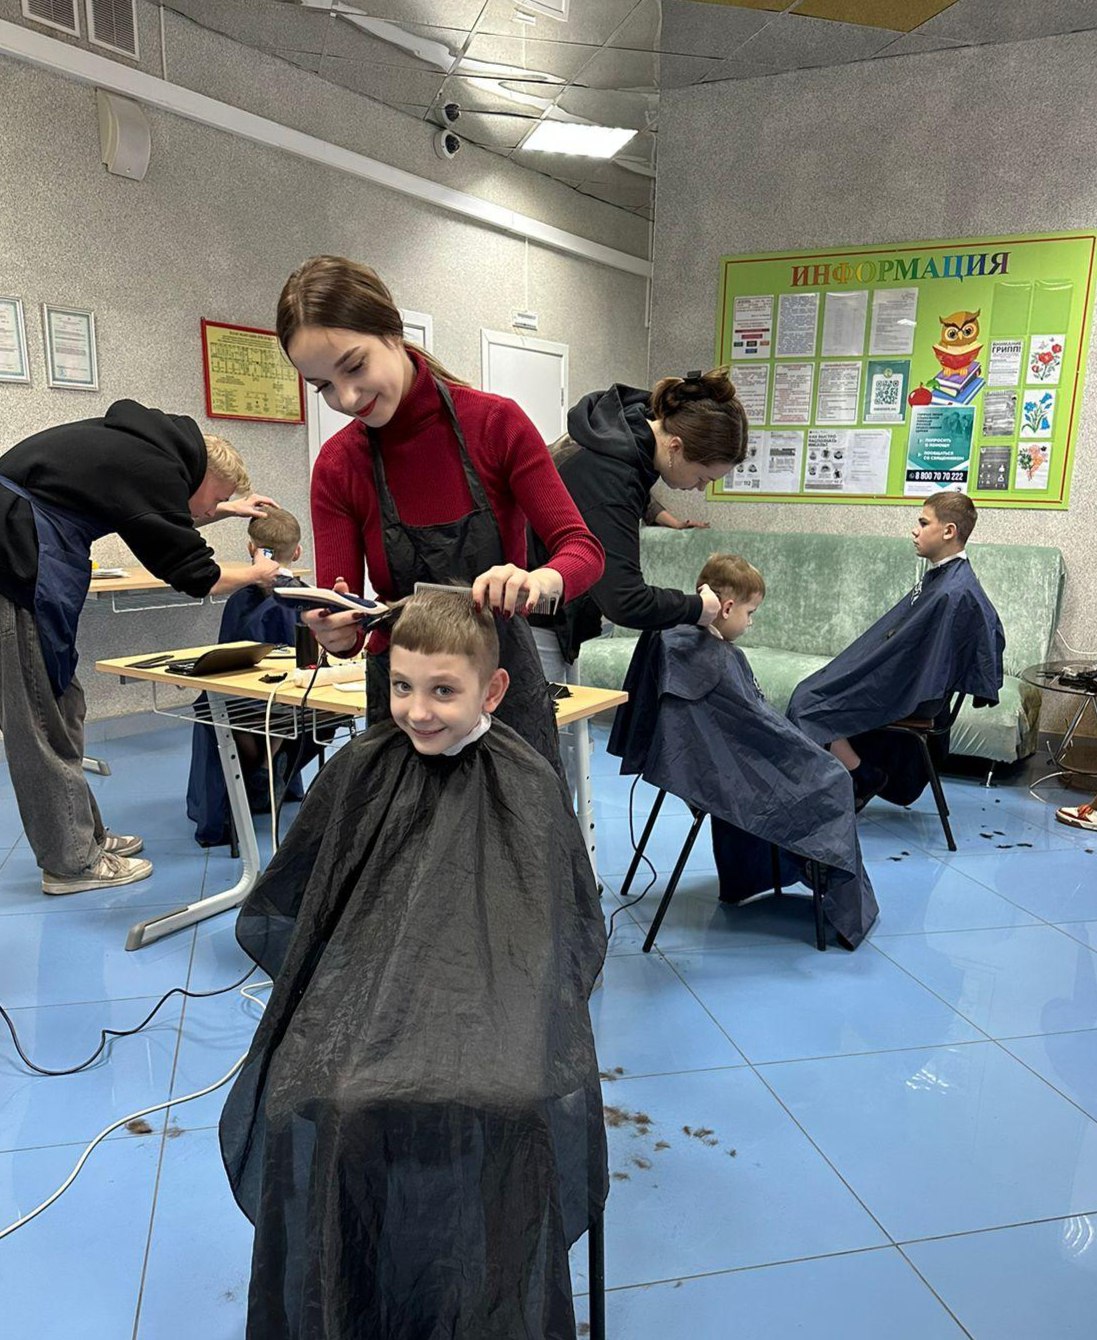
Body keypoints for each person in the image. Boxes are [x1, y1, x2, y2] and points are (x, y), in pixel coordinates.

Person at [220, 590, 608, 1339]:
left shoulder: (526, 782)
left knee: (515, 1100)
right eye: (401, 687)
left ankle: (492, 1300)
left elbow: (569, 935)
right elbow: (300, 904)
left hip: (499, 1003)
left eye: (442, 691)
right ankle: (352, 1298)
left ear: (492, 689)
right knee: (322, 1097)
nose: (418, 711)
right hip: (366, 996)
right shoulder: (364, 767)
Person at [275, 255, 604, 771]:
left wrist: (538, 580)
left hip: (500, 684)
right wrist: (336, 633)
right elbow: (347, 620)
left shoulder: (495, 425)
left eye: (355, 366)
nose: (348, 397)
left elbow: (583, 550)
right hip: (407, 701)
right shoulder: (340, 466)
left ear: (392, 331)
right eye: (323, 387)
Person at [0, 400, 280, 895]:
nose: (207, 511)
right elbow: (195, 574)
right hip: (14, 559)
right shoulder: (153, 467)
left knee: (64, 703)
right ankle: (70, 863)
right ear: (200, 473)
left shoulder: (148, 450)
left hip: (27, 550)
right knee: (39, 718)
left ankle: (84, 837)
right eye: (215, 499)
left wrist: (225, 508)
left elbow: (164, 514)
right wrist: (257, 573)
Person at [609, 554, 878, 948]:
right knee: (835, 780)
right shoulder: (717, 658)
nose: (750, 623)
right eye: (750, 613)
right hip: (722, 775)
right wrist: (817, 760)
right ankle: (842, 906)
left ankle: (758, 876)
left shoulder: (673, 636)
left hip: (702, 769)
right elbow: (761, 732)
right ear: (728, 607)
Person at [527, 367, 749, 686]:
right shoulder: (607, 474)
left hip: (557, 604)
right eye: (703, 477)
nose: (701, 488)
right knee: (544, 715)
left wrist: (661, 517)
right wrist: (698, 608)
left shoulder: (625, 428)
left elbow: (624, 496)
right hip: (532, 609)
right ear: (675, 447)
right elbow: (625, 601)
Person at [787, 492, 1005, 810]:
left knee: (808, 704)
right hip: (909, 684)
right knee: (810, 692)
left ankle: (861, 776)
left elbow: (922, 661)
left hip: (915, 694)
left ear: (949, 531)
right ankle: (847, 778)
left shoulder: (952, 591)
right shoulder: (947, 580)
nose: (915, 530)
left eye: (923, 523)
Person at [185, 506, 317, 847]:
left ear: (251, 549)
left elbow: (228, 667)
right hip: (298, 708)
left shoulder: (240, 602)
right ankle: (269, 761)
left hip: (244, 708)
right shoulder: (308, 599)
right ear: (297, 552)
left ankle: (256, 766)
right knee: (282, 706)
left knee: (216, 704)